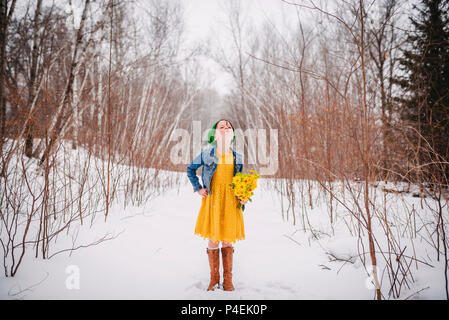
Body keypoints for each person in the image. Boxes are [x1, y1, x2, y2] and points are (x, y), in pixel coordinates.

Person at [186, 119, 247, 291]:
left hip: (230, 201)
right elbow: (190, 169)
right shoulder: (207, 154)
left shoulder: (237, 157)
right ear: (215, 133)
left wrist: (243, 195)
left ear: (232, 134)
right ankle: (214, 279)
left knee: (227, 239)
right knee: (214, 238)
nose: (226, 128)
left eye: (229, 126)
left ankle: (228, 280)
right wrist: (198, 188)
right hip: (213, 199)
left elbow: (240, 181)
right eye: (222, 126)